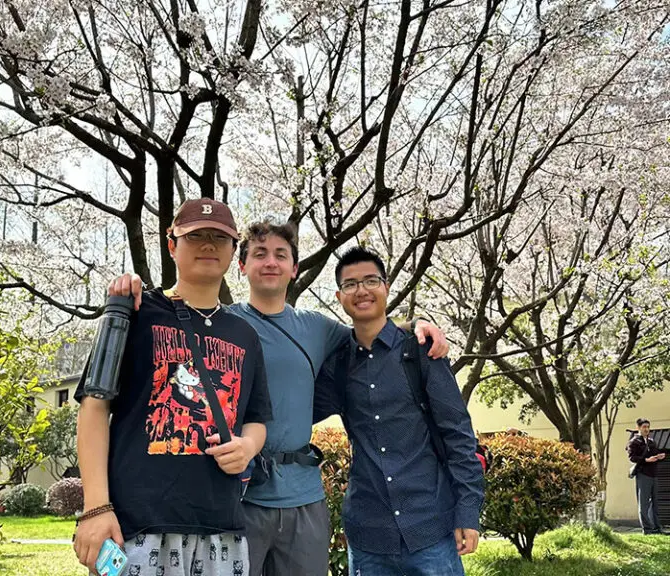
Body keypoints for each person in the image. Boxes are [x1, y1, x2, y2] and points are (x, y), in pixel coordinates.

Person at [109, 220, 449, 575]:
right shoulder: (224, 324)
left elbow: (368, 331)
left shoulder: (317, 327)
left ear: (294, 268)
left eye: (280, 255)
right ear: (241, 266)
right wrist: (132, 286)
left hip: (304, 496)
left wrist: (419, 325)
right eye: (259, 254)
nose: (270, 262)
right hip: (239, 495)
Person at [74, 199, 272, 576]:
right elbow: (94, 406)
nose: (209, 244)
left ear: (235, 252)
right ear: (171, 245)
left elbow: (258, 417)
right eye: (195, 235)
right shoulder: (135, 312)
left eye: (220, 238)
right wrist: (97, 508)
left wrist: (247, 447)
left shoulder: (246, 335)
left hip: (222, 531)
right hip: (138, 528)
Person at [313, 246, 484, 576]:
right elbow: (295, 410)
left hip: (430, 528)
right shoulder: (338, 364)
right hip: (368, 535)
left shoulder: (420, 350)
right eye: (350, 284)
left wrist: (467, 510)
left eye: (371, 280)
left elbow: (458, 434)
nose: (361, 290)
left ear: (386, 287)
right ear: (339, 296)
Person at [628, 418, 666, 535]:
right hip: (643, 474)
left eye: (648, 427)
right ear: (638, 428)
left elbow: (654, 454)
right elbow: (632, 457)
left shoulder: (651, 441)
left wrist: (659, 456)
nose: (647, 429)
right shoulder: (634, 442)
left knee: (655, 501)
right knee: (644, 503)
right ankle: (647, 529)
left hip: (654, 474)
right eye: (644, 427)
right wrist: (645, 460)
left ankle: (657, 528)